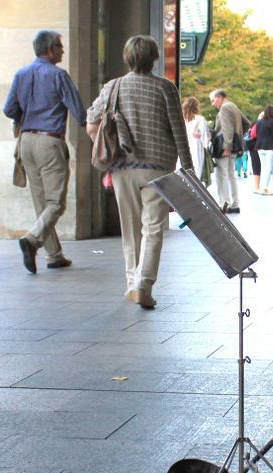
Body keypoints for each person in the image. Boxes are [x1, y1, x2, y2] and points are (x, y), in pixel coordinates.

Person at [87, 35, 192, 310]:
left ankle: (131, 282)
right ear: (154, 58)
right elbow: (179, 132)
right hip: (159, 168)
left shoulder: (113, 87)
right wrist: (189, 170)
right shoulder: (166, 88)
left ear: (127, 57)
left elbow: (91, 121)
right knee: (153, 229)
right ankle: (143, 285)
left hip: (123, 166)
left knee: (130, 229)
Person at [4, 29, 87, 274]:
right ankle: (32, 240)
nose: (62, 50)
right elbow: (79, 112)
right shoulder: (58, 75)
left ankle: (54, 255)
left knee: (41, 202)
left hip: (25, 142)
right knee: (56, 203)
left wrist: (26, 115)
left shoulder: (21, 74)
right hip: (49, 141)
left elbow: (9, 109)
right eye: (60, 46)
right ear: (50, 50)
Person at [209, 88, 246, 213]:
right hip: (234, 145)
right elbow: (246, 123)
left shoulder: (224, 108)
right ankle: (234, 204)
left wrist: (227, 146)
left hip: (225, 146)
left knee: (221, 175)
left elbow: (226, 128)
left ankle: (224, 203)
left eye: (213, 100)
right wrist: (237, 138)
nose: (212, 104)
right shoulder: (234, 107)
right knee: (231, 175)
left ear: (219, 97)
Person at [182, 97, 211, 184]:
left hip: (183, 148)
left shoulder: (181, 118)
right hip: (196, 147)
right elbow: (206, 136)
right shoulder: (200, 119)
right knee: (196, 171)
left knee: (183, 172)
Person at [253, 105, 273, 195]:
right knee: (269, 168)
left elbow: (257, 133)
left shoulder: (259, 122)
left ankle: (262, 187)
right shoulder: (272, 122)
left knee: (264, 167)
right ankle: (265, 188)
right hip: (270, 147)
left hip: (260, 146)